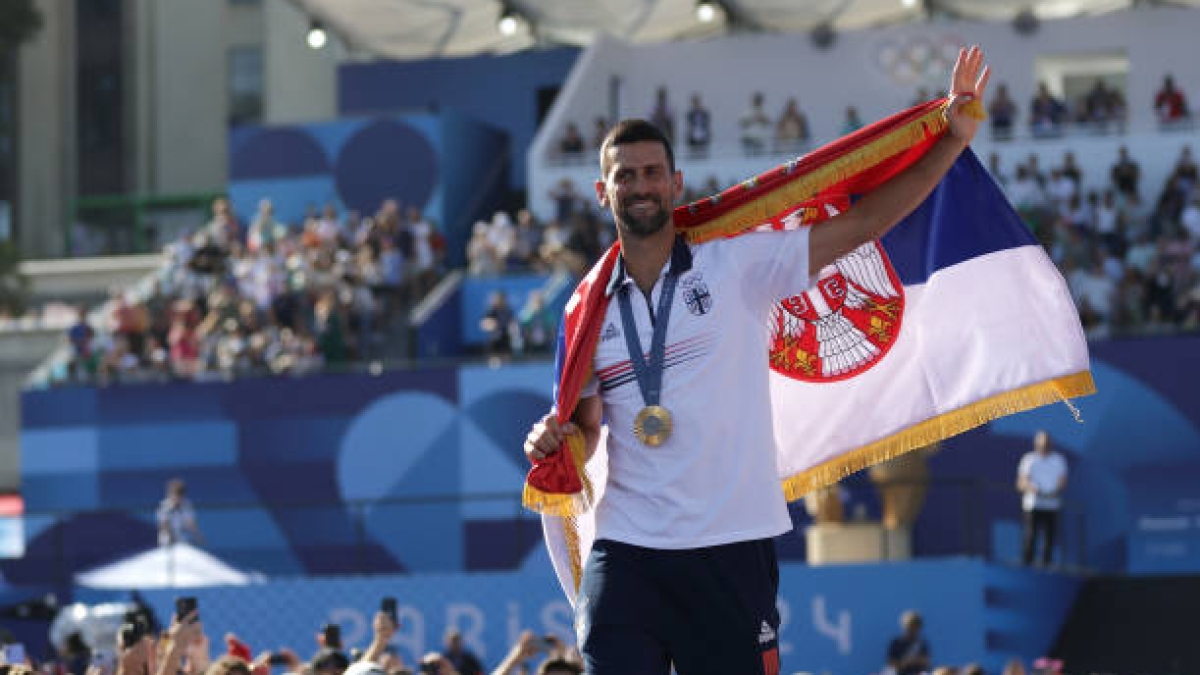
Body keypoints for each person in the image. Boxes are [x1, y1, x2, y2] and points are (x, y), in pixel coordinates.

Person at [523, 47, 991, 674]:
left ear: (676, 184)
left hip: (729, 545)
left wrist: (952, 141)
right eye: (625, 176)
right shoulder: (586, 308)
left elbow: (863, 224)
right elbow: (586, 428)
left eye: (652, 172)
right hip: (628, 546)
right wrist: (554, 438)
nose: (640, 186)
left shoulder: (736, 265)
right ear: (601, 190)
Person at [1017, 430, 1068, 566]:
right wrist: (1032, 488)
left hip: (1052, 505)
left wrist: (1054, 491)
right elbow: (1021, 482)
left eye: (1046, 443)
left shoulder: (1058, 460)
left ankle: (1046, 565)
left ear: (1050, 444)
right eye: (1041, 443)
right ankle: (1027, 565)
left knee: (1049, 537)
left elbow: (1062, 481)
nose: (1044, 445)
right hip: (1033, 505)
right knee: (1031, 535)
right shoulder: (1029, 459)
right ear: (1036, 443)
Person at [156, 478, 203, 546]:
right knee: (165, 538)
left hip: (182, 538)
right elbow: (164, 526)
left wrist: (198, 536)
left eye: (180, 496)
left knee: (186, 541)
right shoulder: (163, 506)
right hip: (167, 539)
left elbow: (190, 523)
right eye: (173, 495)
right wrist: (172, 539)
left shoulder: (187, 505)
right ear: (169, 494)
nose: (176, 498)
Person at [885, 610, 931, 675]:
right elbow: (890, 662)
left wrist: (914, 660)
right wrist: (903, 663)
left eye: (915, 626)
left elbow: (927, 662)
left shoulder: (922, 643)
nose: (912, 629)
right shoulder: (896, 643)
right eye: (909, 626)